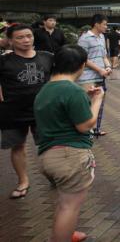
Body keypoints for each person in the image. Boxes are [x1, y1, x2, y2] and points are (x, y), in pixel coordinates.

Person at [35, 45, 104, 242]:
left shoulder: (45, 89)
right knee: (69, 206)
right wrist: (97, 100)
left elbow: (61, 113)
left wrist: (85, 99)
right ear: (82, 66)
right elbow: (85, 126)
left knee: (64, 203)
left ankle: (66, 233)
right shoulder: (73, 91)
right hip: (69, 157)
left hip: (47, 155)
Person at [0, 24, 53, 199]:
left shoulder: (47, 57)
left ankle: (53, 176)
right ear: (10, 41)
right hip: (12, 111)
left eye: (29, 36)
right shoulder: (4, 61)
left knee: (48, 145)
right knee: (18, 146)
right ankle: (23, 181)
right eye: (20, 37)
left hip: (42, 110)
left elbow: (62, 76)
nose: (26, 40)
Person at [77, 15, 111, 136]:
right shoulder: (84, 38)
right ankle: (87, 131)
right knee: (87, 104)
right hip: (87, 77)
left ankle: (96, 128)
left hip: (100, 76)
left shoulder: (102, 37)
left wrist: (108, 67)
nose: (106, 27)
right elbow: (83, 58)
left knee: (98, 103)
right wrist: (100, 70)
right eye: (105, 24)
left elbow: (104, 56)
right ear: (96, 24)